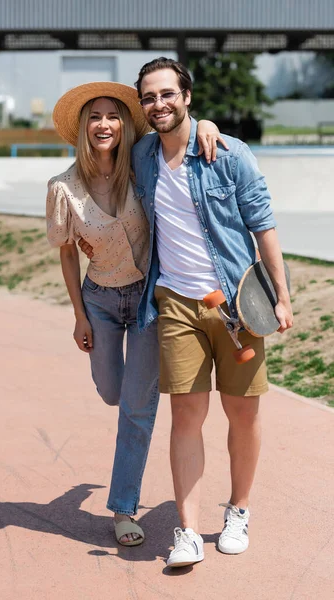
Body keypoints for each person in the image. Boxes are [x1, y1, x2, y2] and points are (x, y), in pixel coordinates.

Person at [129, 57, 294, 567]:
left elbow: (262, 224)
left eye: (167, 94)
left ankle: (238, 510)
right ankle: (186, 530)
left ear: (187, 96)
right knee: (186, 414)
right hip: (176, 301)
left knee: (243, 414)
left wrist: (282, 296)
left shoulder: (227, 153)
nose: (159, 103)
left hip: (239, 300)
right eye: (149, 97)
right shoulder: (142, 156)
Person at [45, 81, 225, 547]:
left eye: (112, 116)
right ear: (84, 128)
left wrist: (205, 121)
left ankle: (123, 508)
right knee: (111, 392)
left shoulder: (143, 165)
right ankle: (118, 401)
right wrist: (80, 316)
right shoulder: (63, 188)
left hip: (147, 300)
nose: (104, 124)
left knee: (137, 409)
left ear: (124, 124)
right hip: (99, 301)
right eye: (94, 118)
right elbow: (67, 254)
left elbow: (182, 131)